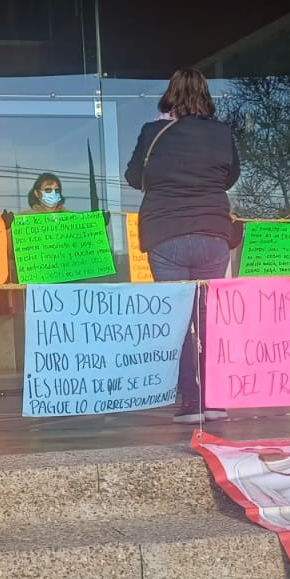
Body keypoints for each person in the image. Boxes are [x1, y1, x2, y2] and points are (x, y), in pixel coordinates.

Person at [124, 68, 240, 424]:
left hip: (165, 234)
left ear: (170, 96)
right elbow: (231, 176)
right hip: (212, 233)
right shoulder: (221, 134)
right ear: (205, 96)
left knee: (178, 320)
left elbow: (133, 177)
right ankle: (216, 400)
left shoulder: (152, 133)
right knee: (210, 320)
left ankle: (191, 401)